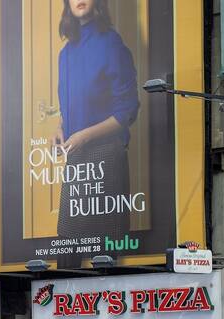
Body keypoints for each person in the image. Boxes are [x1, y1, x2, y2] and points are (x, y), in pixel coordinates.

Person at [54, 0, 139, 268]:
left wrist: (84, 136)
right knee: (67, 255)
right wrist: (61, 129)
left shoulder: (111, 43)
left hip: (106, 159)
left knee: (104, 258)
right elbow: (72, 107)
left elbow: (127, 111)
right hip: (77, 161)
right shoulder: (65, 54)